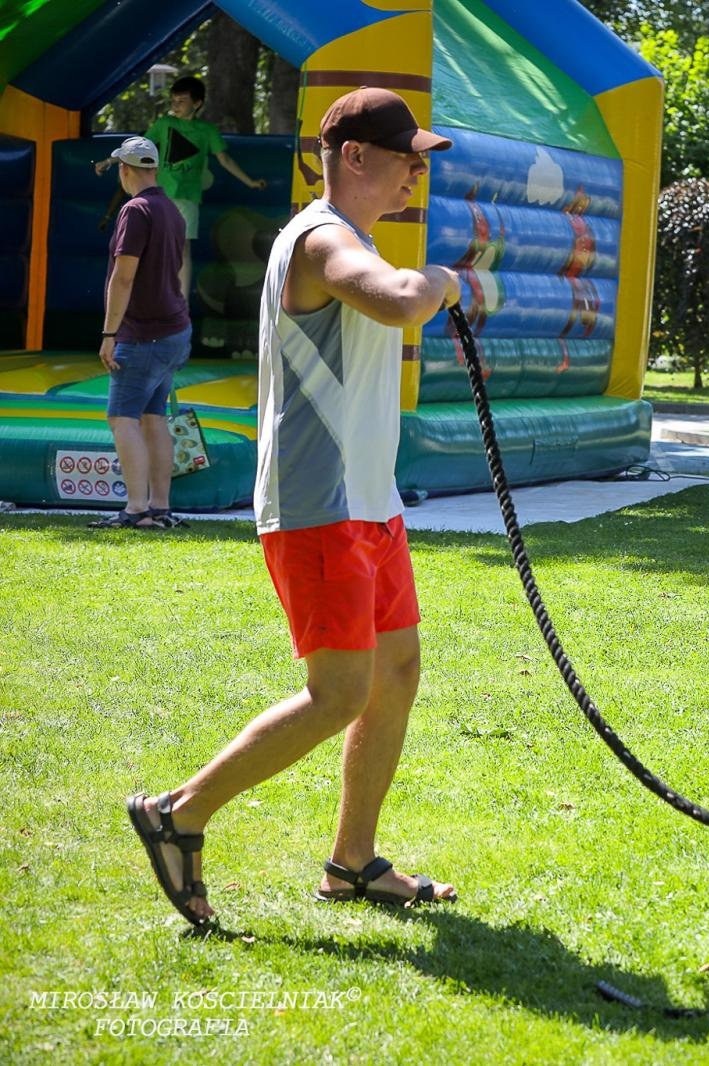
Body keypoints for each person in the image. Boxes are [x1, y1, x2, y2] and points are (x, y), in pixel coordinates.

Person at [125, 88, 462, 927]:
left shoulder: (355, 239)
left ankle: (352, 864)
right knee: (340, 691)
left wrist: (425, 281)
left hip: (367, 501)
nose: (417, 172)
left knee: (398, 674)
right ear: (353, 157)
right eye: (405, 156)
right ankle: (178, 813)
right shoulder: (319, 240)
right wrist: (443, 282)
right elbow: (392, 299)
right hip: (319, 505)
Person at [87, 136, 192, 531]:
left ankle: (135, 509)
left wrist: (109, 332)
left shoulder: (135, 210)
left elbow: (124, 275)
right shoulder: (171, 210)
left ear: (124, 170)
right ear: (155, 169)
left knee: (122, 419)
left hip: (142, 334)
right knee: (153, 417)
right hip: (174, 330)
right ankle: (159, 506)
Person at [97, 75, 269, 295]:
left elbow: (224, 159)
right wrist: (110, 161)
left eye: (181, 101)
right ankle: (144, 296)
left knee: (182, 248)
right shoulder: (164, 124)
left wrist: (251, 182)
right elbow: (138, 148)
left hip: (187, 197)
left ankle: (181, 303)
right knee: (148, 245)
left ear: (196, 103)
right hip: (157, 196)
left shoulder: (206, 130)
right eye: (173, 101)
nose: (175, 106)